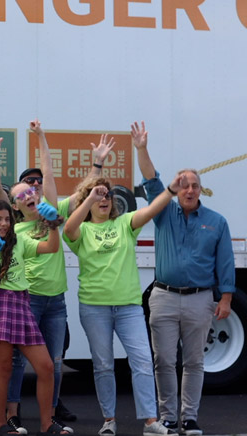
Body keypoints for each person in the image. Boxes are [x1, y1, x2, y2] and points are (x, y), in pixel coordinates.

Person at [132, 122, 235, 436]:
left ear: (201, 189)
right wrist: (141, 148)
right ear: (177, 188)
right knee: (163, 360)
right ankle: (168, 418)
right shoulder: (163, 212)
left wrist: (227, 298)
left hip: (200, 299)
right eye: (183, 184)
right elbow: (151, 178)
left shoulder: (217, 222)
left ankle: (189, 418)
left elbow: (225, 263)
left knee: (194, 363)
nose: (189, 190)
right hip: (163, 297)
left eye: (194, 185)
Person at [63, 173, 181, 436]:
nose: (103, 199)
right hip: (94, 308)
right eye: (97, 195)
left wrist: (171, 189)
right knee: (103, 365)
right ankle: (109, 420)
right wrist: (88, 198)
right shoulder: (81, 231)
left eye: (107, 194)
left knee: (141, 361)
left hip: (129, 307)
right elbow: (68, 229)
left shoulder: (125, 223)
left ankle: (150, 421)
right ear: (87, 200)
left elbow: (151, 209)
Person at [0, 123, 82, 431]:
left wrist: (40, 137)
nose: (32, 193)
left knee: (52, 362)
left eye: (34, 190)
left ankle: (48, 417)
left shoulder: (49, 212)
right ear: (15, 205)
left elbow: (49, 174)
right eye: (24, 192)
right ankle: (11, 416)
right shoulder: (13, 228)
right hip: (25, 300)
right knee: (13, 363)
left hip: (55, 300)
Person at [0, 200, 68, 436]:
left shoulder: (19, 241)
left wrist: (52, 225)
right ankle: (0, 425)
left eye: (7, 219)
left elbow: (51, 248)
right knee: (4, 369)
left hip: (22, 303)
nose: (3, 224)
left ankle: (47, 424)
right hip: (0, 304)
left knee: (46, 366)